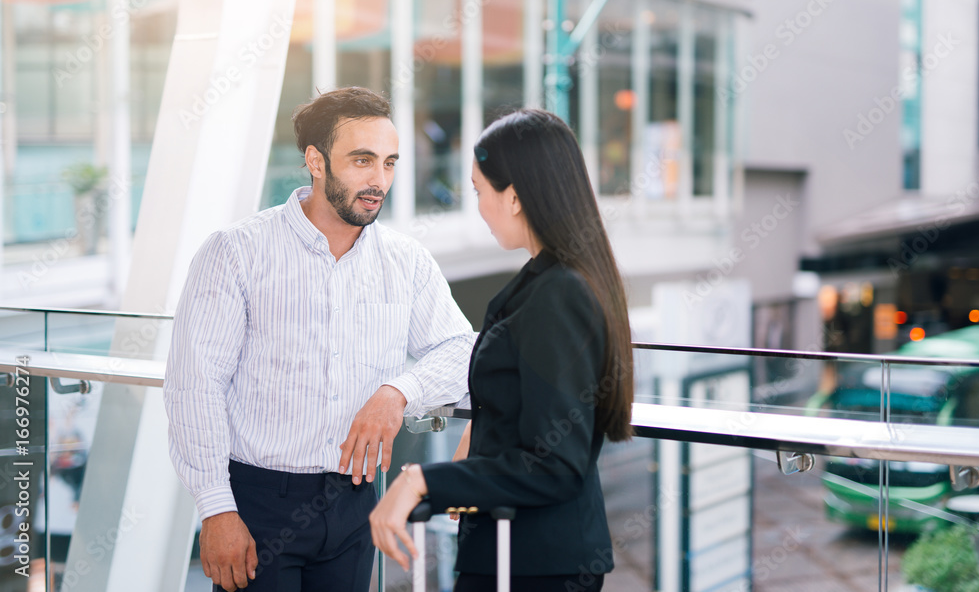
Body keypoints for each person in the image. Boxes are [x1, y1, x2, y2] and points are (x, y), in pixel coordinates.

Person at [163, 87, 475, 592]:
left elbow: (461, 349)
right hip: (258, 504)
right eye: (362, 160)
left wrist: (397, 393)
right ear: (315, 160)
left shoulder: (407, 261)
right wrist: (215, 509)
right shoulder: (235, 253)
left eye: (390, 163)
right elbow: (195, 387)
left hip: (355, 502)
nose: (379, 181)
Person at [369, 109, 634, 592]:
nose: (478, 206)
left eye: (478, 191)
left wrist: (421, 480)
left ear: (512, 197)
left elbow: (555, 464)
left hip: (534, 564)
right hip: (522, 555)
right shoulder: (546, 283)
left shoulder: (558, 295)